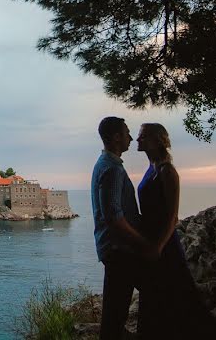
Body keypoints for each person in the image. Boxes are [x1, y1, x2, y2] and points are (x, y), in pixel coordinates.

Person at [135, 123, 216, 340]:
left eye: (143, 137)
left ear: (157, 140)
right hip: (152, 241)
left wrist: (157, 246)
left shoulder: (167, 172)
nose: (138, 141)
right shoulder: (153, 168)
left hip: (164, 246)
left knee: (178, 296)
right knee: (159, 297)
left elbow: (172, 217)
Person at [92, 116, 157, 339]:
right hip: (119, 249)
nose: (131, 137)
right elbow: (114, 218)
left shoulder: (106, 165)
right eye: (127, 132)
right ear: (117, 137)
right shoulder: (112, 169)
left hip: (115, 248)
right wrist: (144, 243)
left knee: (116, 309)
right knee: (116, 312)